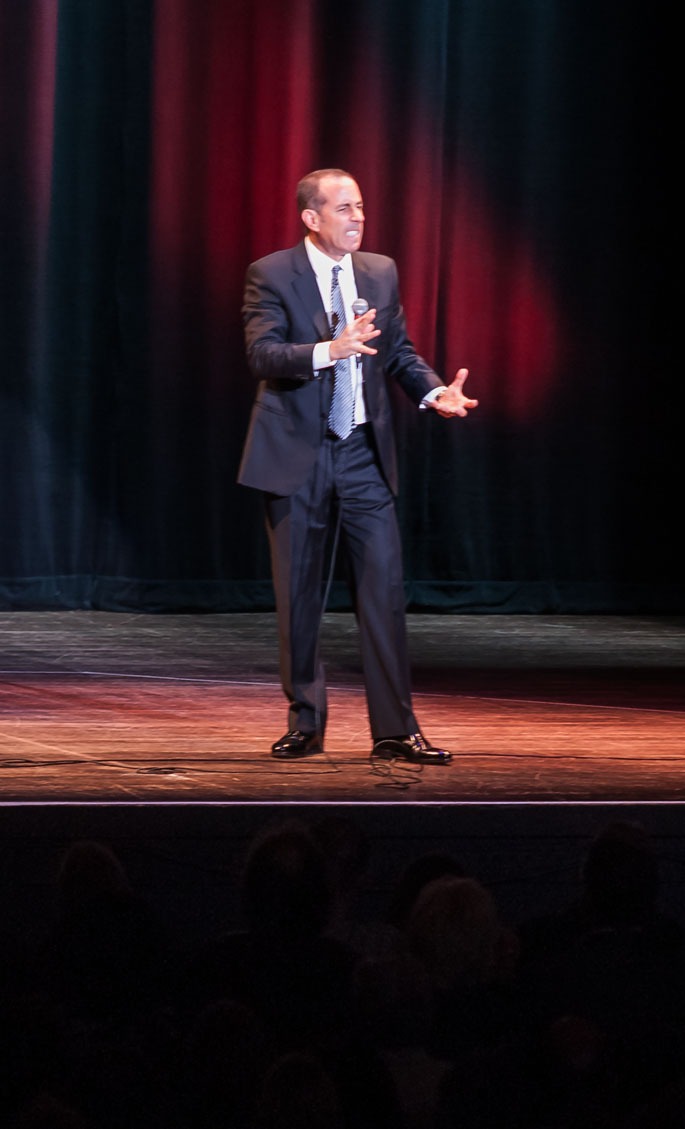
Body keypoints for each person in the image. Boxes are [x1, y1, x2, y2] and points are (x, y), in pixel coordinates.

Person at [237, 168, 478, 765]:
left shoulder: (379, 271)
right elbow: (262, 354)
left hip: (363, 454)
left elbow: (397, 352)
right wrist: (330, 349)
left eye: (361, 207)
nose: (358, 218)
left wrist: (433, 392)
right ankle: (306, 723)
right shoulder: (272, 273)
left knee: (383, 591)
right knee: (300, 597)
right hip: (299, 454)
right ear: (311, 218)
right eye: (344, 209)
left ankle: (395, 730)